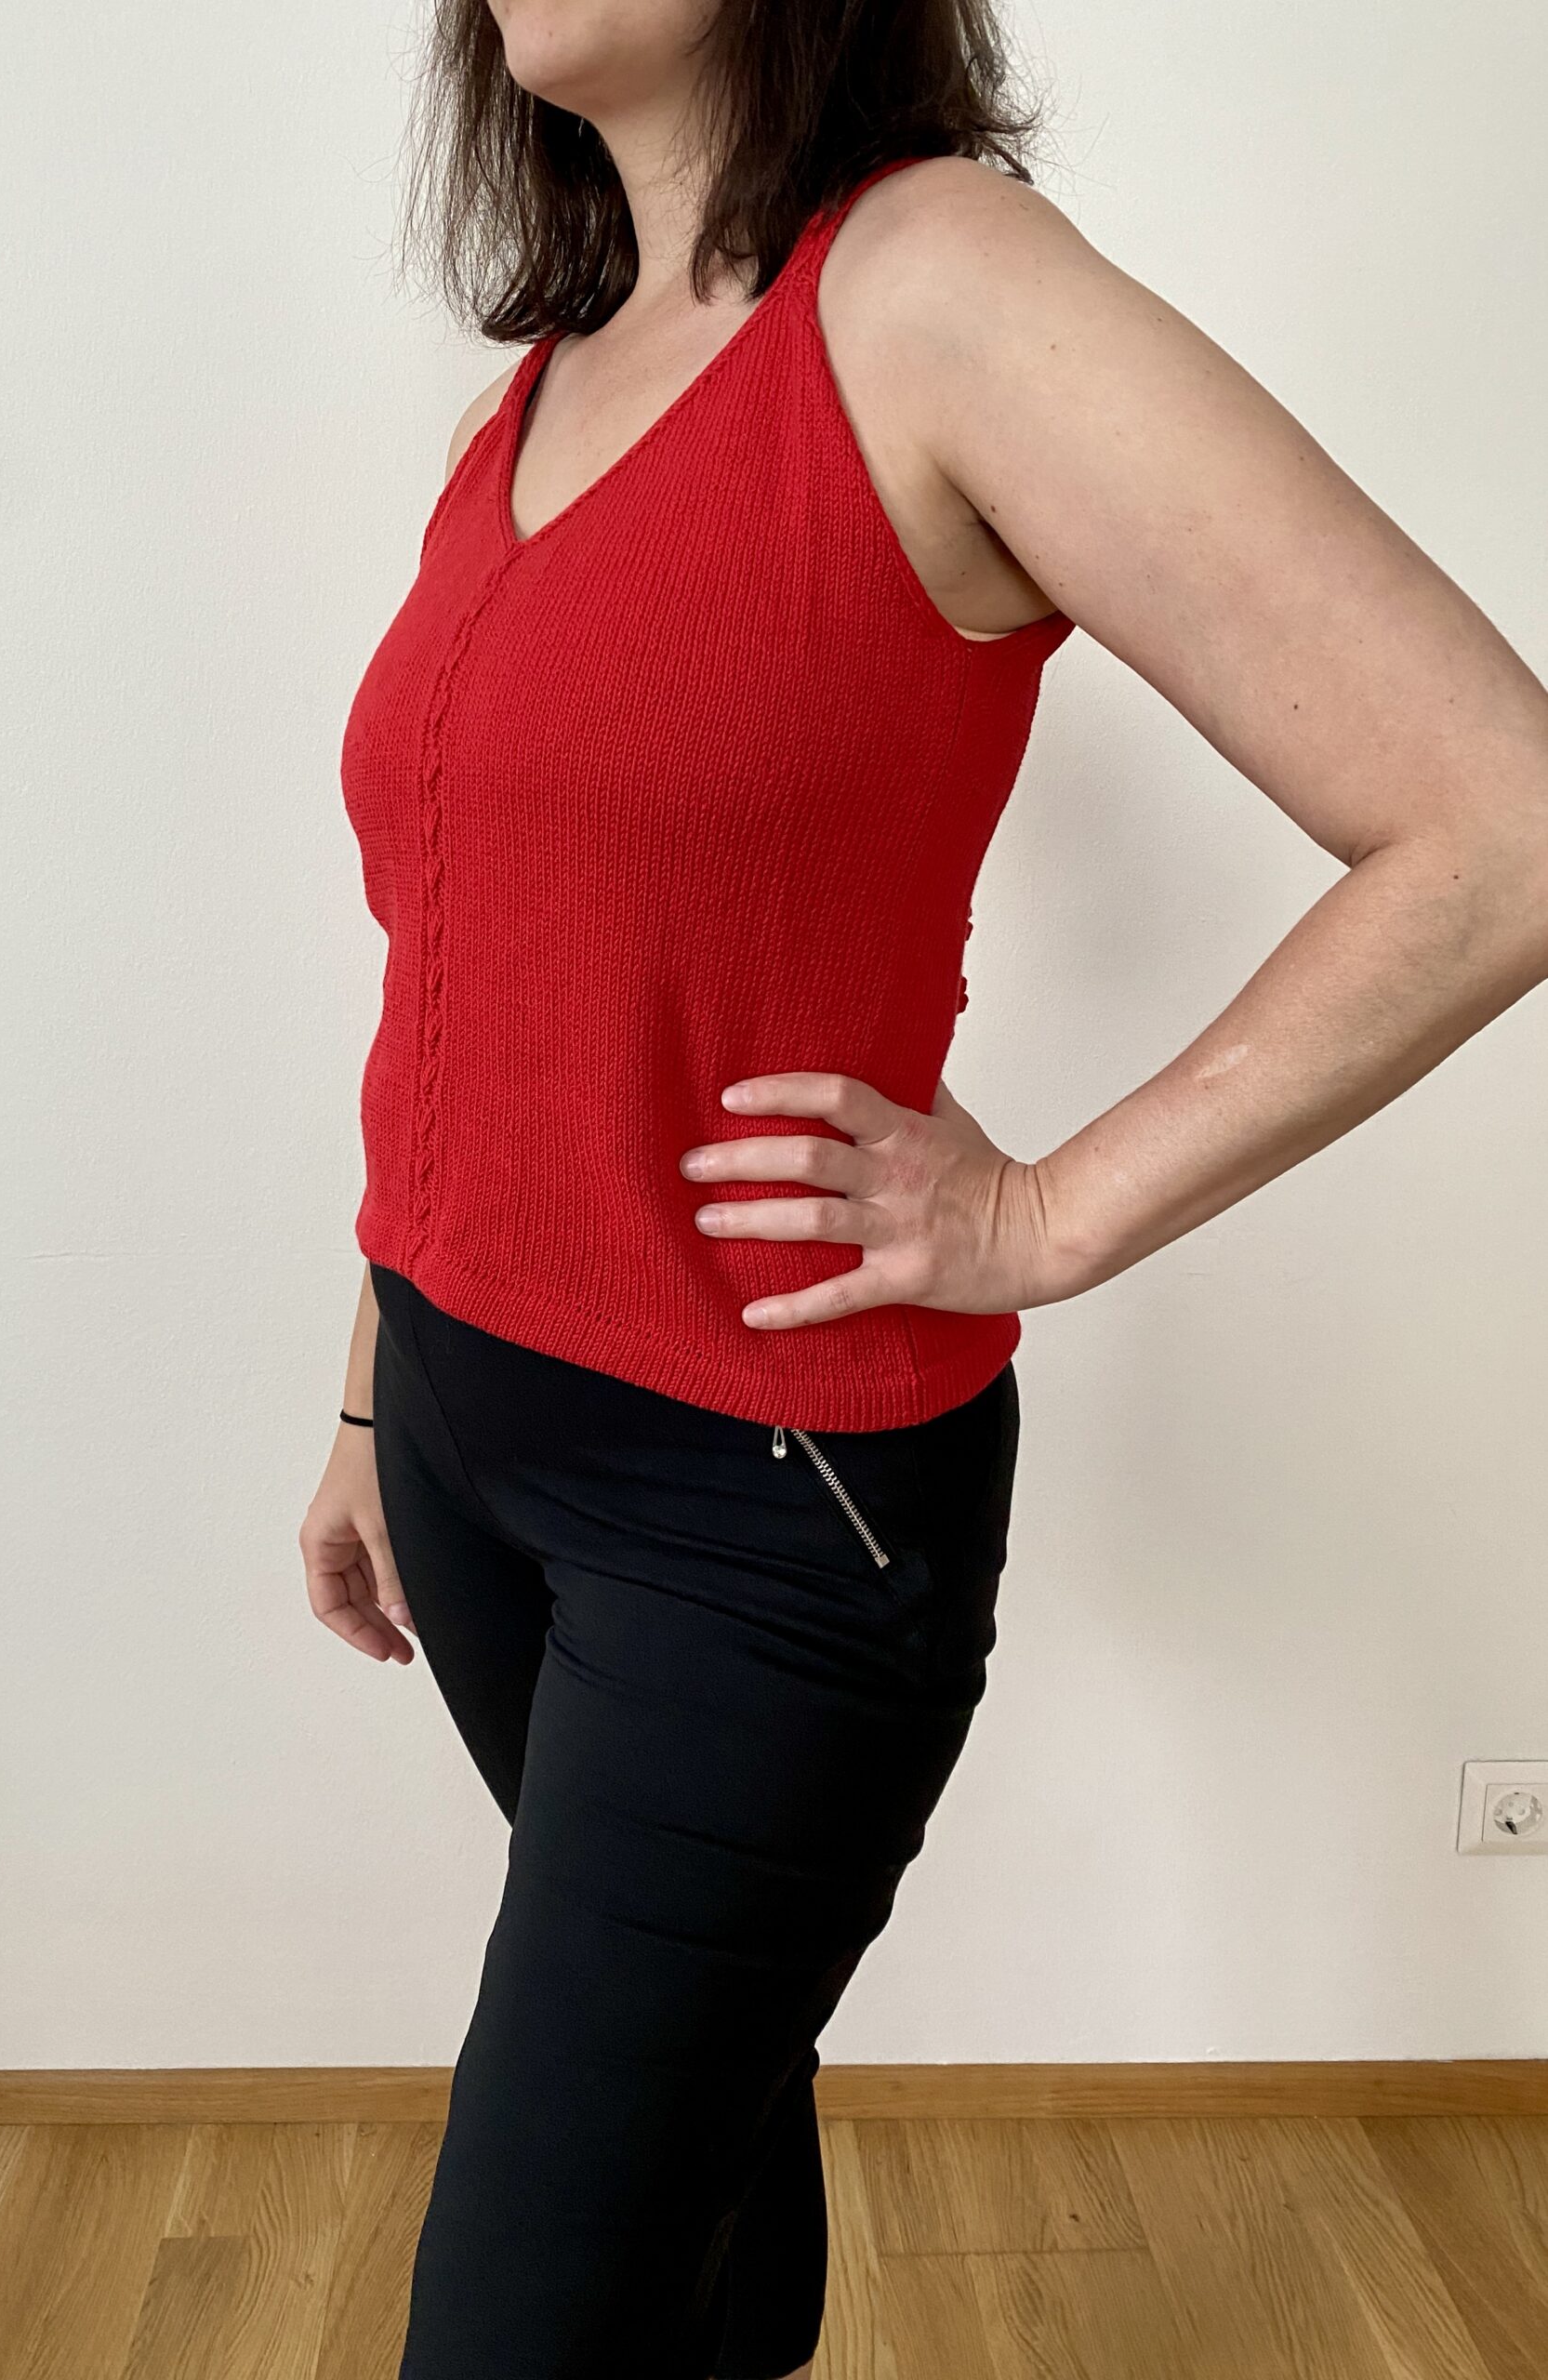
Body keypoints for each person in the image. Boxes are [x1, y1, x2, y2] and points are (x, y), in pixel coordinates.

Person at [301, 2, 1548, 2373]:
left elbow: (1498, 819)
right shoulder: (533, 393)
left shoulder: (934, 291)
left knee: (522, 2310)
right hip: (474, 1448)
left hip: (746, 1517)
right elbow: (455, 964)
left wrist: (1047, 1212)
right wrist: (375, 1389)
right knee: (688, 2164)